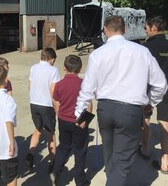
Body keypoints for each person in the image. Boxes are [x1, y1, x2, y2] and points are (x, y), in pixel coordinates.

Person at [75, 15, 167, 186]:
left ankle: (113, 179)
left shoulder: (98, 54)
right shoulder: (141, 51)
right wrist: (150, 102)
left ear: (105, 30)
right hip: (130, 111)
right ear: (125, 30)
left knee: (110, 154)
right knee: (122, 161)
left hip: (105, 109)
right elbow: (161, 84)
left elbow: (87, 87)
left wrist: (79, 112)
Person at [51, 55, 91, 186]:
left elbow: (56, 101)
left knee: (64, 147)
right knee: (80, 150)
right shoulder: (83, 84)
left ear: (64, 68)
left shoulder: (59, 84)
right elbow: (88, 104)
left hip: (63, 120)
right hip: (79, 121)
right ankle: (80, 180)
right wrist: (87, 120)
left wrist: (59, 114)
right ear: (80, 69)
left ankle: (56, 171)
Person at [25, 47, 60, 170]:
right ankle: (52, 163)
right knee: (51, 134)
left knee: (38, 129)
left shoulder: (33, 68)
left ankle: (30, 154)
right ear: (51, 59)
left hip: (34, 104)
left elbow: (30, 85)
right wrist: (57, 107)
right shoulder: (53, 70)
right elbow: (53, 91)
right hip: (47, 105)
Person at [141, 16, 168, 172]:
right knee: (165, 124)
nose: (145, 31)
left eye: (146, 28)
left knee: (145, 120)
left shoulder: (146, 48)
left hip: (149, 90)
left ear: (153, 29)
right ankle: (165, 161)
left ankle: (145, 151)